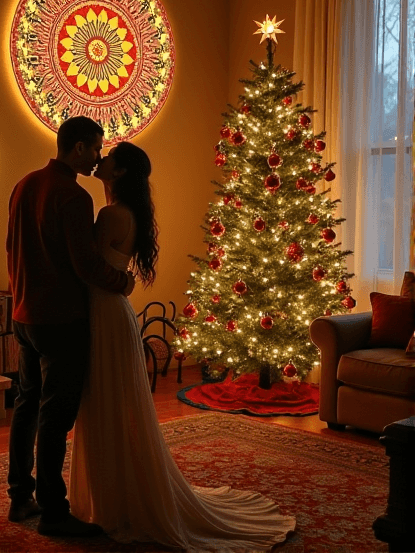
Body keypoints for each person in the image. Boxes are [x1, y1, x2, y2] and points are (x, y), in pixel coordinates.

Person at [69, 141, 296, 551]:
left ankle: (112, 498)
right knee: (112, 402)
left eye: (109, 159)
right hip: (113, 310)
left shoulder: (110, 214)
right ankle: (114, 492)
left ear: (119, 173)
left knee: (105, 401)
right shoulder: (129, 212)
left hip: (104, 311)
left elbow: (89, 266)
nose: (101, 160)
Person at [6, 116, 135, 538]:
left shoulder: (24, 184)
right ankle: (54, 511)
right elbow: (85, 264)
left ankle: (19, 495)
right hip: (60, 319)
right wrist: (122, 281)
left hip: (23, 315)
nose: (99, 157)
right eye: (96, 148)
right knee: (55, 416)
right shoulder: (73, 196)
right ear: (78, 148)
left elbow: (12, 248)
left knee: (26, 406)